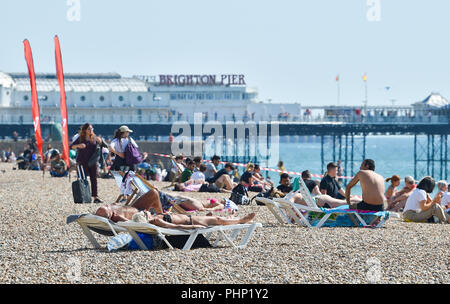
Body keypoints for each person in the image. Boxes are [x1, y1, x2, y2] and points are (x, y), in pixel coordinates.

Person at [70, 123, 104, 203]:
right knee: (83, 179)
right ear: (85, 130)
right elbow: (71, 146)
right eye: (89, 129)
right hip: (82, 161)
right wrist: (79, 145)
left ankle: (95, 197)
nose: (91, 130)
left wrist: (101, 141)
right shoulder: (80, 138)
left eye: (92, 129)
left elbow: (104, 145)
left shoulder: (95, 138)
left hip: (92, 161)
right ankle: (84, 196)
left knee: (94, 179)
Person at [133, 210, 256, 229]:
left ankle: (231, 218)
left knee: (214, 217)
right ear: (145, 216)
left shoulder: (156, 218)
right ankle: (241, 220)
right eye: (144, 212)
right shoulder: (156, 221)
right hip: (191, 222)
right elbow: (175, 227)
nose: (146, 210)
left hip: (190, 218)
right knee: (218, 219)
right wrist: (192, 227)